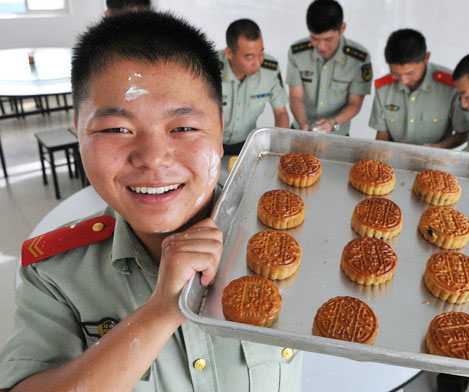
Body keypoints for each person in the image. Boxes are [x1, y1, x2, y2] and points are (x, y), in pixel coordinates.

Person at [0, 11, 302, 392]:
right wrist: (159, 313)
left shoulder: (286, 234)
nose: (153, 157)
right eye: (116, 129)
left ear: (222, 127)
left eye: (184, 127)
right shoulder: (55, 274)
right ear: (78, 130)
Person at [369, 29, 469, 147]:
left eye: (410, 73)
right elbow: (382, 135)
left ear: (426, 58)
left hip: (435, 160)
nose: (403, 81)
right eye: (395, 73)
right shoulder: (383, 89)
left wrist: (436, 149)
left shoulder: (451, 87)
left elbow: (464, 132)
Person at [286, 0, 372, 135]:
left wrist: (333, 123)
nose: (321, 46)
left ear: (342, 28)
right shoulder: (297, 52)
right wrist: (303, 124)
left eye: (328, 39)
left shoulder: (359, 59)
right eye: (314, 38)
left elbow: (355, 103)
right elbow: (295, 96)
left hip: (337, 135)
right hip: (300, 130)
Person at [219, 19, 289, 156]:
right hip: (210, 144)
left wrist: (279, 148)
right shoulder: (207, 68)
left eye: (261, 53)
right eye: (249, 57)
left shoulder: (270, 70)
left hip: (246, 145)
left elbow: (281, 113)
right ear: (229, 53)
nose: (258, 63)